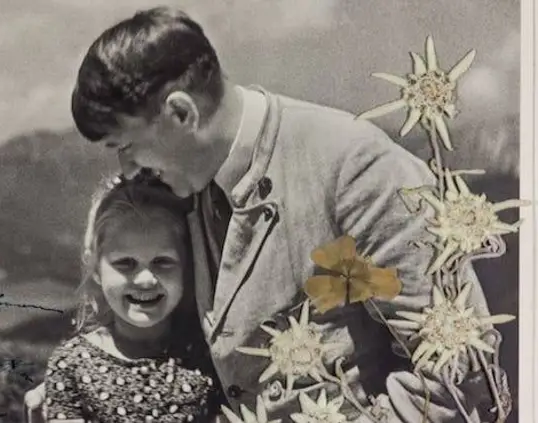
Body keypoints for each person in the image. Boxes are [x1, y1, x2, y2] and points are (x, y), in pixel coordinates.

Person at [28, 6, 503, 422]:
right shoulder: (181, 184)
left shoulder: (354, 169)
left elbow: (457, 374)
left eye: (127, 146)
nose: (126, 169)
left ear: (180, 114)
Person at [39, 173, 225, 423]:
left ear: (187, 268)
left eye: (162, 262)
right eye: (125, 263)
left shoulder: (208, 357)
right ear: (95, 269)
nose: (145, 279)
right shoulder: (71, 365)